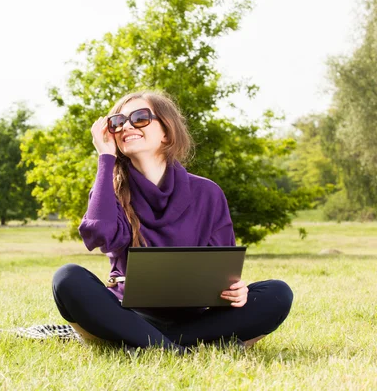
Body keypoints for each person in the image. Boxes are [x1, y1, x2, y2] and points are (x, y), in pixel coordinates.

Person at [52, 90, 293, 353]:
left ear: (167, 131)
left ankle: (150, 344)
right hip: (129, 315)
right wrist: (105, 157)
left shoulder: (207, 192)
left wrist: (235, 291)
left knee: (277, 293)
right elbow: (99, 234)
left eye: (140, 118)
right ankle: (178, 347)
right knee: (67, 278)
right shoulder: (109, 190)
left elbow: (222, 269)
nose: (127, 126)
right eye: (118, 122)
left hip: (195, 318)